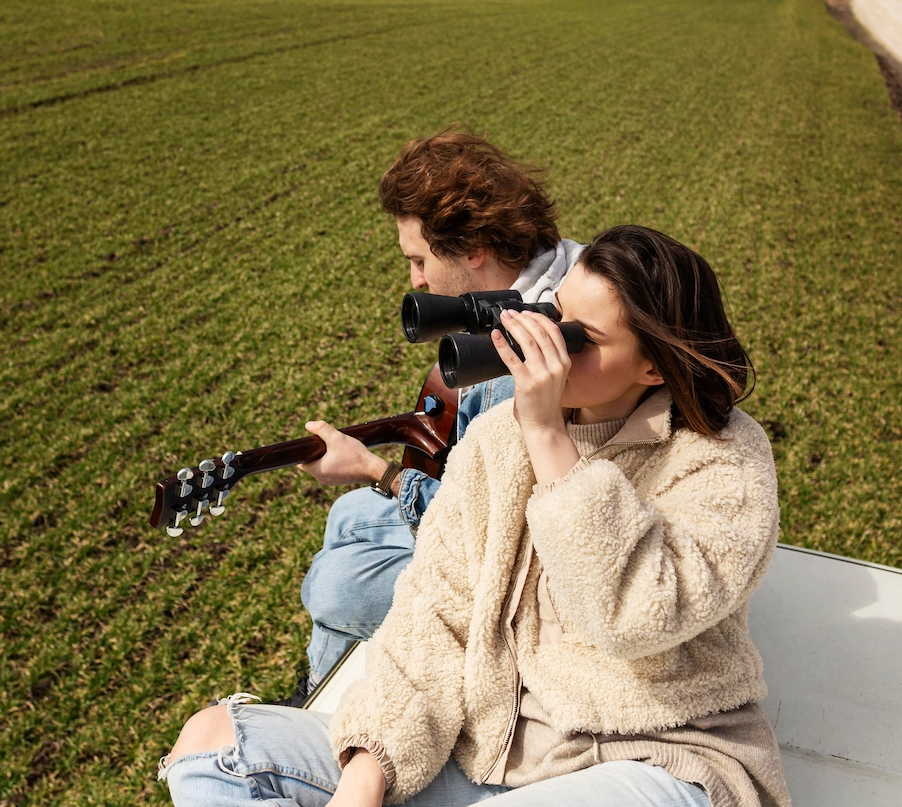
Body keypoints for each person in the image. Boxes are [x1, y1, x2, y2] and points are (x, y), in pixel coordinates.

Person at [159, 225, 790, 807]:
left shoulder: (721, 457)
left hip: (656, 756)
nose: (548, 343)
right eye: (554, 314)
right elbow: (433, 613)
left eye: (581, 338)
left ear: (653, 364)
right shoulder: (495, 441)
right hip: (493, 756)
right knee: (215, 744)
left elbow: (628, 617)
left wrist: (548, 437)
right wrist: (366, 774)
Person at [296, 129, 583, 693]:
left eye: (419, 259)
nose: (416, 281)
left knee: (335, 588)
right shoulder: (566, 269)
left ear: (474, 248)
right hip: (496, 518)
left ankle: (327, 703)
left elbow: (478, 536)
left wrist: (373, 469)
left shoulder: (518, 365)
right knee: (348, 518)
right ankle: (349, 680)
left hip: (524, 575)